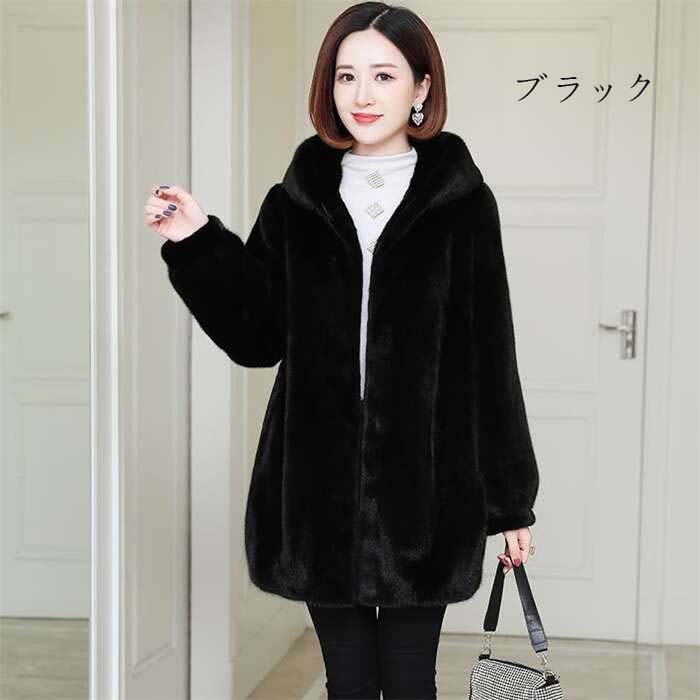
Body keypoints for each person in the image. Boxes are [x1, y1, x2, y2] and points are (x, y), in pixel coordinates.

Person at [144, 3, 540, 698]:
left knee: (410, 681)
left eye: (383, 75)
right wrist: (198, 242)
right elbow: (257, 337)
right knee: (349, 682)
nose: (362, 94)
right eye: (346, 75)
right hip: (315, 488)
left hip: (428, 488)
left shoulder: (462, 204)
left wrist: (510, 504)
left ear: (420, 86)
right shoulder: (296, 201)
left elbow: (491, 356)